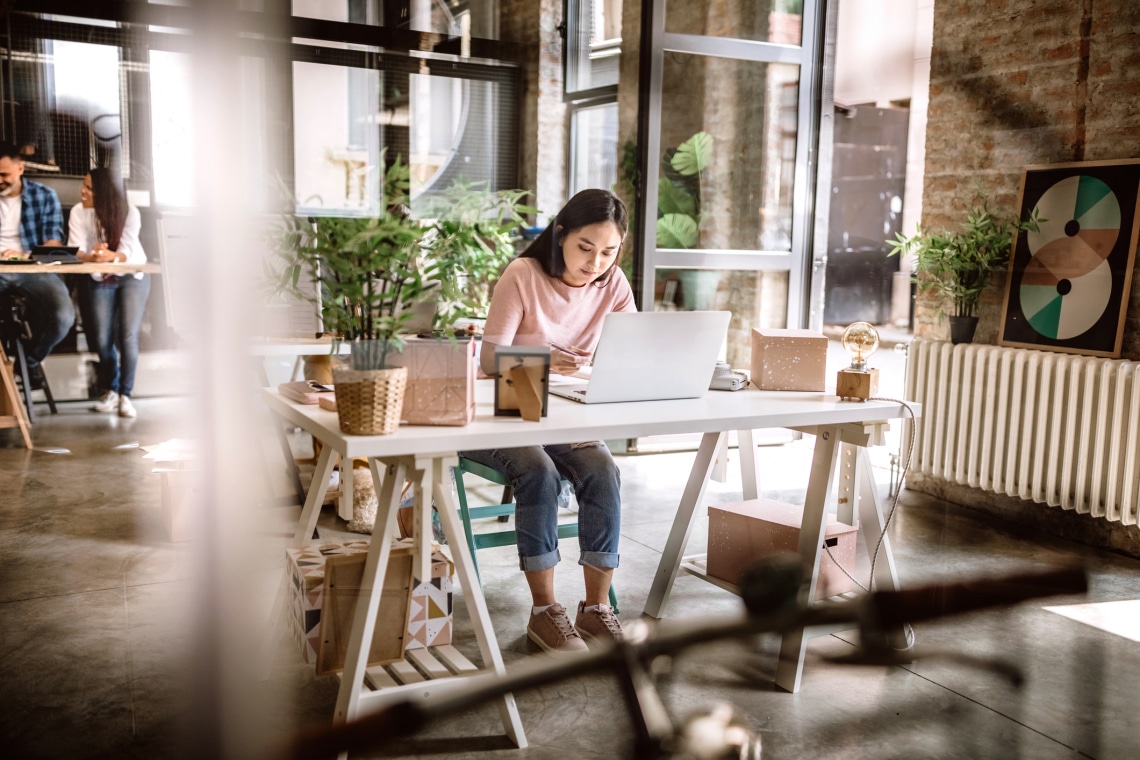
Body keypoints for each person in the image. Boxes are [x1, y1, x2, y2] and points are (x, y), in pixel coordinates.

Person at [462, 188, 635, 656]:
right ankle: (544, 613)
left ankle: (596, 610)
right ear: (560, 234)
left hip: (568, 407)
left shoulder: (613, 284)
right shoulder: (523, 274)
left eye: (608, 251)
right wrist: (544, 359)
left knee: (603, 470)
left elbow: (632, 347)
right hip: (512, 401)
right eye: (585, 247)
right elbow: (490, 358)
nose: (595, 261)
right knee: (537, 472)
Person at [69, 168, 151, 419]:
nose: (83, 191)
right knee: (102, 339)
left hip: (131, 275)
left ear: (104, 193)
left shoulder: (130, 212)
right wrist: (92, 255)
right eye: (84, 185)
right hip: (98, 275)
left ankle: (126, 395)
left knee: (127, 335)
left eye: (90, 188)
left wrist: (110, 255)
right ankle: (111, 390)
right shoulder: (77, 211)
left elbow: (125, 252)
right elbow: (76, 250)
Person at [0, 143, 75, 384]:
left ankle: (27, 362)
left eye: (4, 174)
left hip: (32, 268)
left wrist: (24, 256)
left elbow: (54, 248)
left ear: (21, 168)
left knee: (63, 317)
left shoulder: (44, 196)